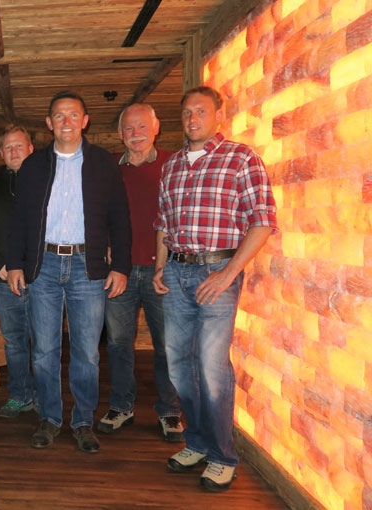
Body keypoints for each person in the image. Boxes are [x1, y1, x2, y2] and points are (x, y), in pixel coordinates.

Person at [153, 86, 277, 492]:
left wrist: (229, 273)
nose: (192, 119)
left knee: (211, 367)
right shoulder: (171, 165)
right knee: (178, 367)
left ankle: (223, 456)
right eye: (186, 112)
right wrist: (159, 266)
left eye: (201, 111)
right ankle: (198, 442)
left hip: (218, 273)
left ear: (216, 115)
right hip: (176, 273)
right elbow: (163, 225)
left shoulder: (241, 158)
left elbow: (262, 221)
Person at [7, 91, 132, 454]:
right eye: (58, 116)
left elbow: (119, 219)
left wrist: (120, 266)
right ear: (49, 123)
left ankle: (82, 422)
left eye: (73, 115)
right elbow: (18, 220)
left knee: (88, 353)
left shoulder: (103, 163)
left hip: (87, 267)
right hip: (42, 266)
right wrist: (15, 262)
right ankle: (49, 417)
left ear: (85, 120)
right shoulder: (33, 166)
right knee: (44, 350)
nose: (66, 122)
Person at [98, 103, 183, 441]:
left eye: (141, 126)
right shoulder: (108, 169)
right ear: (120, 134)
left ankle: (171, 411)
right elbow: (97, 213)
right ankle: (122, 406)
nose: (135, 134)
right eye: (128, 128)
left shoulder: (173, 164)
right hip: (120, 270)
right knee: (119, 342)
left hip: (163, 269)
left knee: (167, 344)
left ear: (156, 127)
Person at [0, 125, 36, 418]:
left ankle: (47, 399)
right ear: (1, 153)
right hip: (3, 280)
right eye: (8, 148)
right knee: (14, 341)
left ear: (31, 149)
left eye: (19, 146)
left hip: (42, 279)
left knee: (46, 342)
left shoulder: (46, 183)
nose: (14, 152)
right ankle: (21, 395)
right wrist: (0, 268)